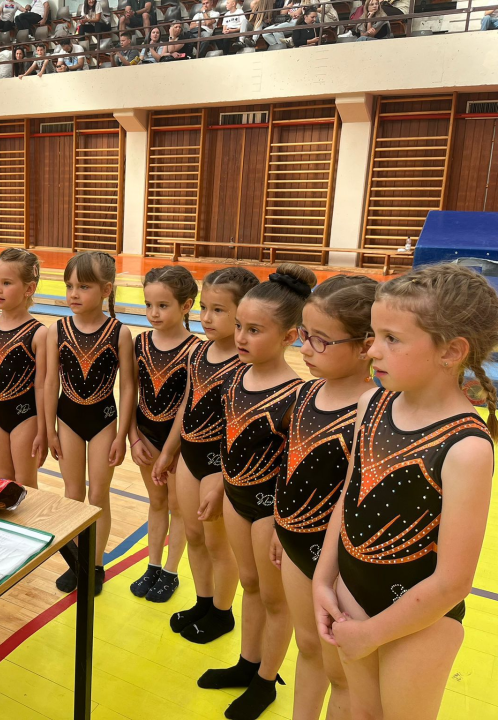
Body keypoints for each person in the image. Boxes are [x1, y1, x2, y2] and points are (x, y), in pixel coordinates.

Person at [315, 264, 498, 720]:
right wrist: (323, 579)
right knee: (362, 713)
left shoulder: (468, 448)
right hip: (352, 596)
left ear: (451, 351)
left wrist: (374, 633)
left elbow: (454, 581)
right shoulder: (370, 404)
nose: (372, 350)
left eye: (391, 339)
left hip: (420, 624)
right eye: (374, 335)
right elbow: (349, 496)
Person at [199, 265, 317, 720]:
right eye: (241, 327)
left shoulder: (297, 396)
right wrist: (218, 481)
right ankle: (247, 663)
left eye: (255, 330)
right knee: (248, 585)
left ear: (290, 336)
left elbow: (296, 471)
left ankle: (266, 680)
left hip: (271, 511)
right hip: (235, 498)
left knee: (274, 599)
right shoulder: (235, 378)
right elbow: (227, 442)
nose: (242, 338)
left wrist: (282, 526)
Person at [271, 276, 377, 720]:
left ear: (365, 345)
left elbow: (354, 498)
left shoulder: (374, 410)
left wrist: (329, 566)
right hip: (295, 544)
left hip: (335, 562)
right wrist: (281, 523)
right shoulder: (309, 390)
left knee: (342, 675)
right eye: (303, 335)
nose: (305, 348)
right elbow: (291, 462)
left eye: (320, 340)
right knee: (307, 646)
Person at [154, 267, 259, 643]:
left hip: (219, 466)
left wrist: (224, 476)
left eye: (219, 310)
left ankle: (222, 612)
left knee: (218, 545)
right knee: (194, 535)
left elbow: (240, 429)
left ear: (243, 315)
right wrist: (169, 451)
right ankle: (203, 600)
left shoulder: (244, 364)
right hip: (190, 457)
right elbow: (187, 401)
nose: (207, 318)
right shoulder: (200, 351)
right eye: (204, 308)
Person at [46, 252, 135, 596]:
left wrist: (122, 434)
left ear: (107, 290)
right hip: (67, 418)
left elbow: (128, 387)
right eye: (69, 286)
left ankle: (95, 565)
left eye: (83, 286)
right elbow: (51, 383)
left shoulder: (119, 333)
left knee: (98, 496)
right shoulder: (58, 329)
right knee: (72, 495)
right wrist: (49, 428)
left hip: (103, 421)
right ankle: (77, 562)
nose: (73, 293)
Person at [128, 267, 200, 603]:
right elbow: (128, 392)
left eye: (163, 305)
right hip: (146, 436)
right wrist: (133, 438)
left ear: (186, 306)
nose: (154, 313)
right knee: (156, 503)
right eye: (149, 305)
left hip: (180, 443)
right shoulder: (140, 341)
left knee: (177, 507)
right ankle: (152, 565)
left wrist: (170, 452)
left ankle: (171, 571)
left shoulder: (195, 350)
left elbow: (187, 405)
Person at [0, 249, 46, 488]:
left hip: (25, 417)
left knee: (26, 482)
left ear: (29, 289)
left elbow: (42, 386)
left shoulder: (38, 333)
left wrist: (44, 429)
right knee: (2, 479)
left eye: (7, 283)